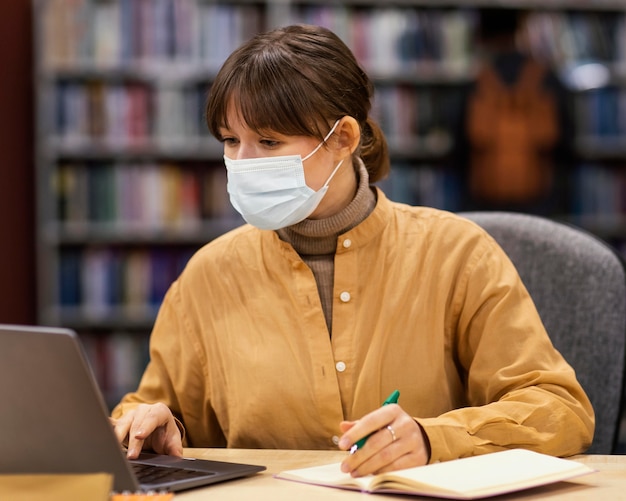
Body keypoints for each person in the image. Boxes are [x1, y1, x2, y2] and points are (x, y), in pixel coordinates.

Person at [111, 24, 593, 478]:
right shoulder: (209, 274)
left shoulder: (456, 253)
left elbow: (560, 408)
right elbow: (152, 414)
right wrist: (154, 425)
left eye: (268, 141)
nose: (241, 163)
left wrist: (433, 438)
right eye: (231, 141)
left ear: (342, 138)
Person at [451, 7, 573, 216]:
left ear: (483, 34)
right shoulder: (547, 79)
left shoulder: (476, 83)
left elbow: (458, 149)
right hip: (540, 202)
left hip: (484, 203)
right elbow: (567, 144)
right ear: (519, 30)